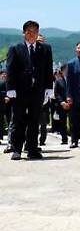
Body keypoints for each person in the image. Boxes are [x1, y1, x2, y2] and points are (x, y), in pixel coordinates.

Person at [5, 20, 54, 160]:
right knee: (18, 120)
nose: (32, 34)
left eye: (35, 31)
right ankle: (17, 149)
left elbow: (48, 69)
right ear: (24, 33)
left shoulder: (45, 48)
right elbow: (11, 69)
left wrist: (49, 89)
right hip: (20, 91)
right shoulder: (15, 48)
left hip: (37, 91)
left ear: (38, 33)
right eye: (29, 31)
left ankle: (32, 149)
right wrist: (10, 88)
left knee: (34, 121)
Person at [66, 41, 80, 148]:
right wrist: (68, 96)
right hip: (75, 96)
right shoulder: (71, 63)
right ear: (76, 50)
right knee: (74, 120)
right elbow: (69, 82)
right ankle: (74, 140)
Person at [53, 65, 70, 144]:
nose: (67, 72)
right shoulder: (58, 81)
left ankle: (74, 139)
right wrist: (62, 102)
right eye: (65, 70)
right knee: (62, 122)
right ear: (62, 72)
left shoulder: (72, 80)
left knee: (73, 121)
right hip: (62, 104)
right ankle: (64, 138)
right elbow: (56, 93)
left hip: (71, 103)